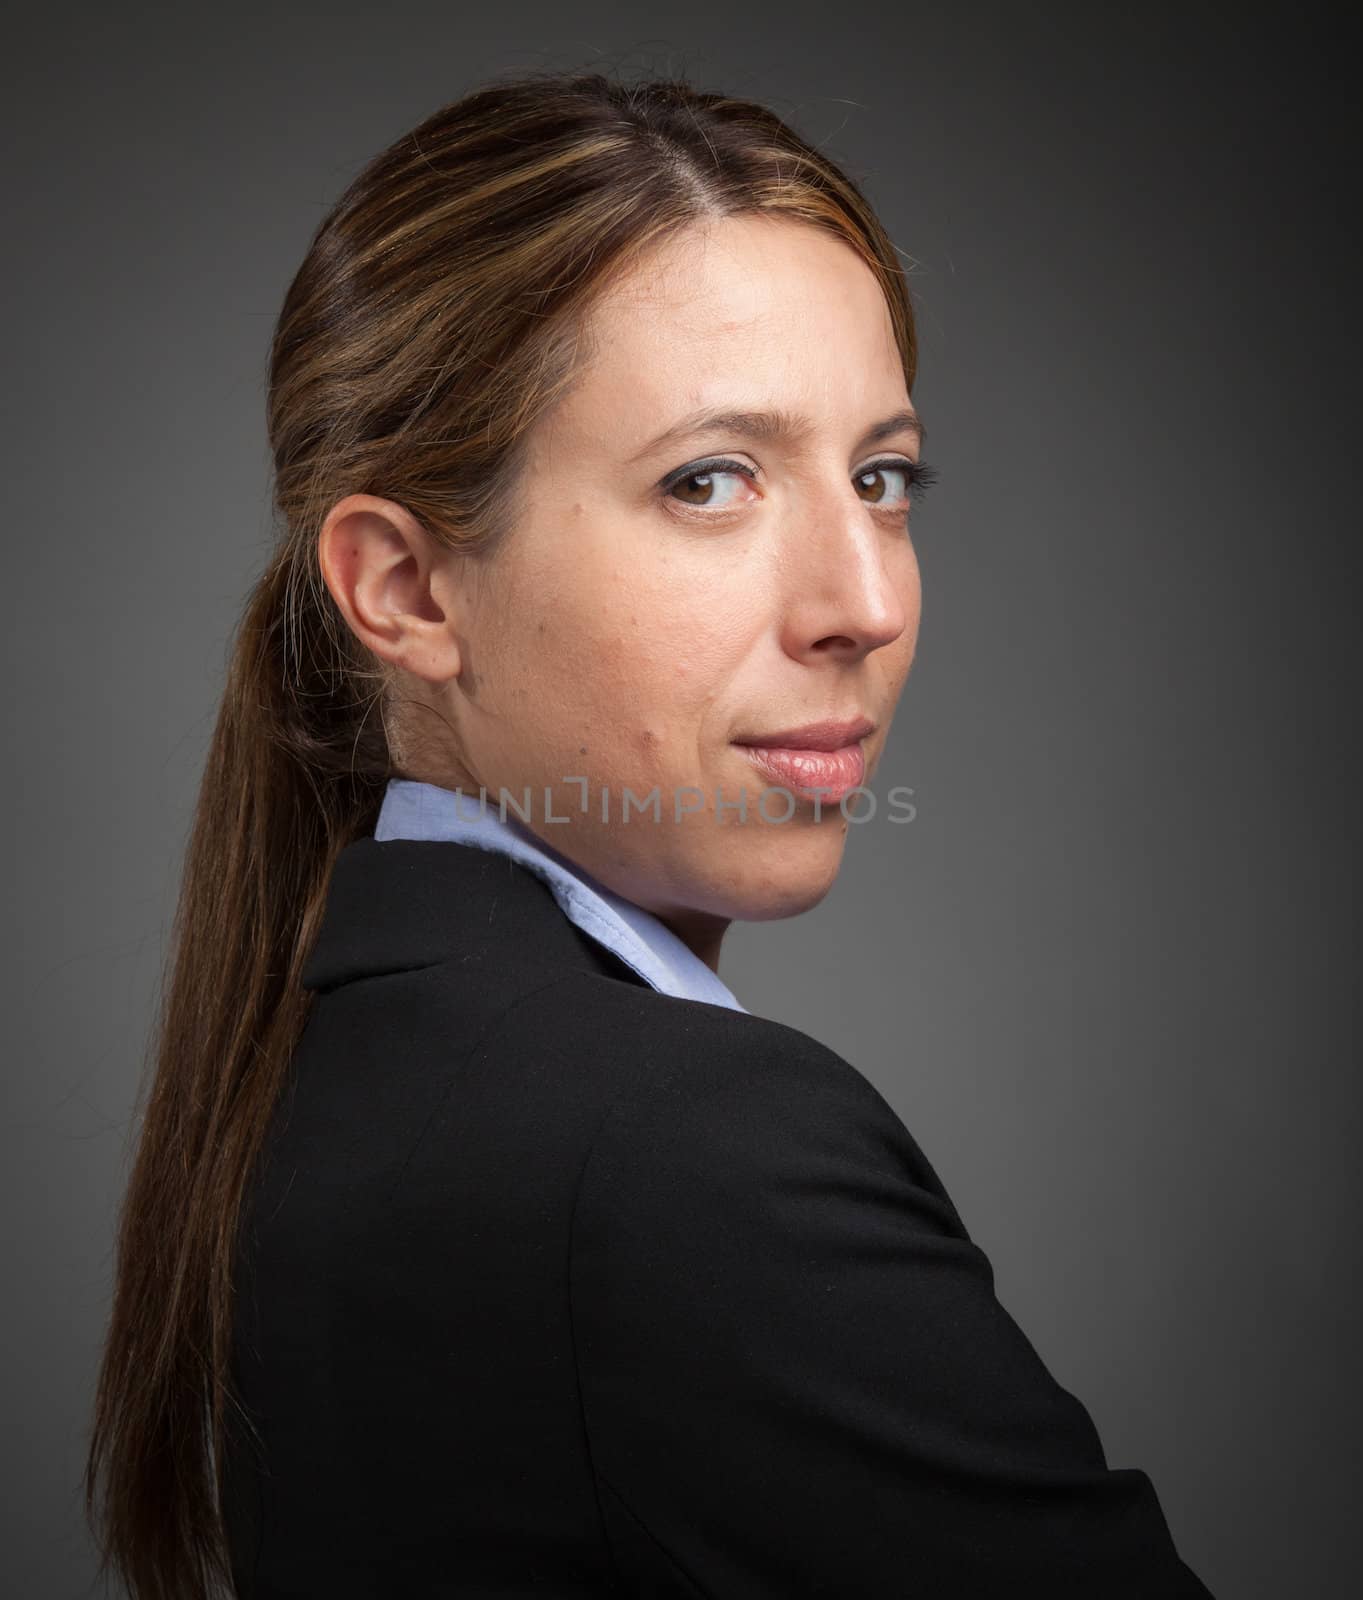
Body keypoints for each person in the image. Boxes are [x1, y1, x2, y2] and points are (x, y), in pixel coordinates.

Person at [85, 70, 1215, 1598]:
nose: (865, 605)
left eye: (884, 479)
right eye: (709, 482)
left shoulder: (324, 1080)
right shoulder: (691, 1155)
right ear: (406, 589)